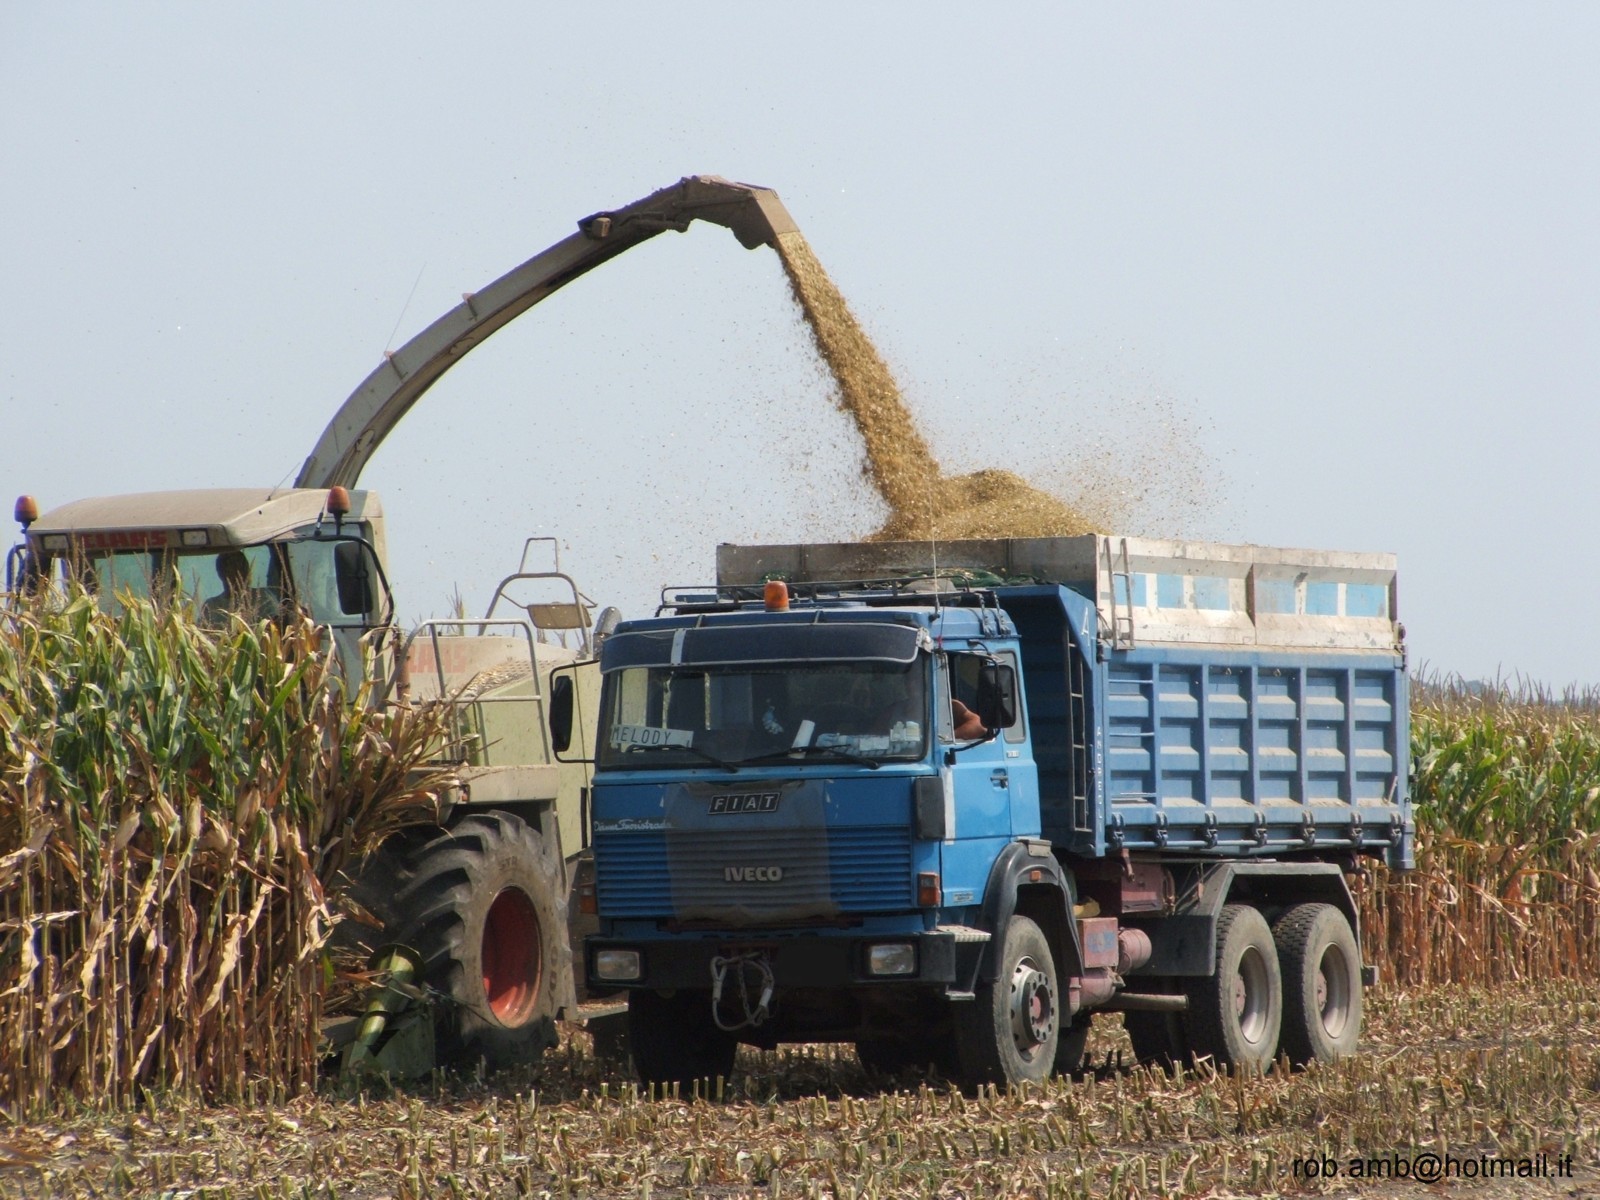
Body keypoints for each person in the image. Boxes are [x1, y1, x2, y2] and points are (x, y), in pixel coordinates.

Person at [201, 550, 278, 625]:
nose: (240, 572)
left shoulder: (263, 597)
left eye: (242, 567)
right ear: (221, 573)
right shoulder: (211, 606)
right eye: (232, 568)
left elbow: (275, 629)